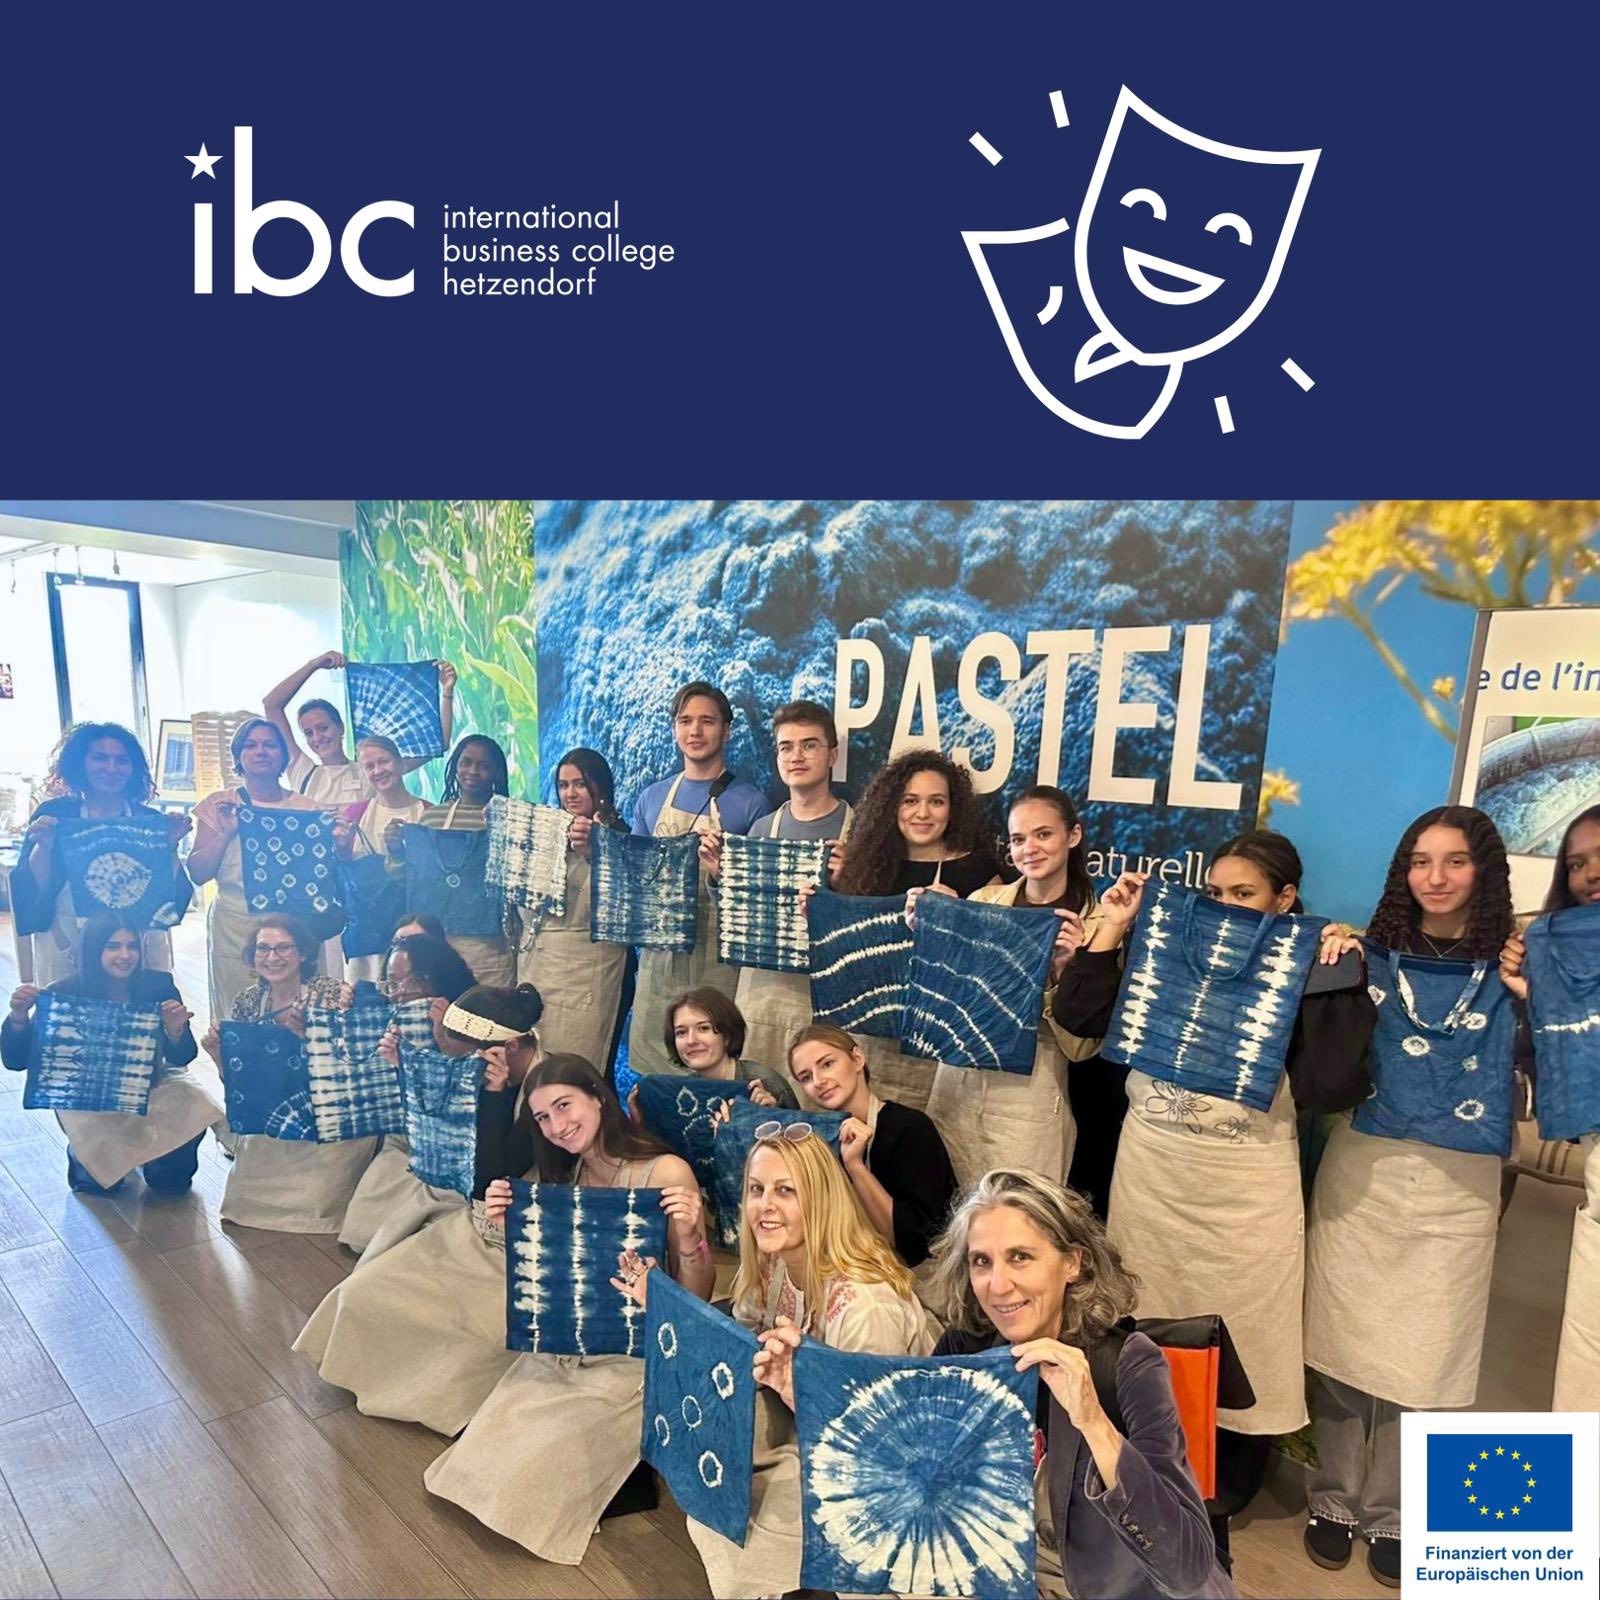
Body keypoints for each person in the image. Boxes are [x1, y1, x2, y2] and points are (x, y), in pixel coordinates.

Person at [1054, 830, 1376, 1562]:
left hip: (1246, 1188)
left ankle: (1223, 1479)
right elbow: (1078, 1018)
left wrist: (1333, 976)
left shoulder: (1305, 960)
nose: (1226, 907)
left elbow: (1332, 1085)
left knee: (1245, 1330)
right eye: (1216, 893)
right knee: (1148, 1316)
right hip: (1153, 1177)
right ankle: (1143, 1450)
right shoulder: (1170, 948)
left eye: (1245, 894)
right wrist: (1114, 926)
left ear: (1285, 900)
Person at [1302, 806, 1516, 1588]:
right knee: (1341, 1339)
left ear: (1484, 870)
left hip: (1459, 1183)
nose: (1436, 877)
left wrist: (1535, 991)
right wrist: (1332, 967)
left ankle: (1394, 1511)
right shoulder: (1367, 954)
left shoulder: (1513, 966)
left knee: (1426, 1351)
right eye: (1421, 861)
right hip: (1365, 1165)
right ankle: (1333, 1497)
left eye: (1455, 861)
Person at [421, 1055, 713, 1564]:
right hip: (572, 1336)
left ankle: (620, 1471)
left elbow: (699, 1298)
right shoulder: (564, 1172)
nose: (557, 1126)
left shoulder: (665, 1171)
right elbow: (553, 1273)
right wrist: (514, 1227)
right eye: (543, 1117)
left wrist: (688, 1238)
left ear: (598, 1097)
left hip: (640, 1348)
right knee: (478, 1457)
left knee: (527, 1477)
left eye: (564, 1106)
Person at [924, 1169, 1236, 1600]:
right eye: (982, 1261)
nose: (998, 1285)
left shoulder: (1126, 1364)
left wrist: (1093, 1421)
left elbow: (1184, 1568)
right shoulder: (964, 1350)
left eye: (1020, 1257)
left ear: (1072, 1263)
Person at [683, 1121, 932, 1598]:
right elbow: (742, 1338)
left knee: (743, 1529)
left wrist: (798, 1392)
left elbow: (881, 1443)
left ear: (820, 1200)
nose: (765, 1206)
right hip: (812, 1431)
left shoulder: (865, 1304)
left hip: (890, 1469)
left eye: (785, 1191)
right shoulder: (777, 1261)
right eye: (756, 1189)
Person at [294, 986, 550, 1434]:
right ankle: (367, 1372)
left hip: (527, 1235)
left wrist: (492, 1097)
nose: (461, 1067)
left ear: (508, 1048)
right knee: (363, 1290)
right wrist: (405, 1068)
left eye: (467, 1057)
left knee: (460, 1329)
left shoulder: (551, 1087)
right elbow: (443, 1119)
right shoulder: (493, 1069)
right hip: (474, 1219)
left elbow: (495, 1172)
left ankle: (424, 1394)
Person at [919, 785, 1099, 1190]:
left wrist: (1064, 972)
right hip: (957, 1080)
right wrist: (929, 934)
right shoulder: (983, 901)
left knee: (1022, 1210)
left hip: (1030, 1092)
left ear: (1073, 835)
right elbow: (947, 993)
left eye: (1043, 834)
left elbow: (1082, 1048)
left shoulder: (1097, 924)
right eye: (1018, 839)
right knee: (945, 1209)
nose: (1029, 848)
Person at [831, 749, 1000, 1111]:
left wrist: (960, 917)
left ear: (953, 808)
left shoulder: (981, 872)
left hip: (945, 1044)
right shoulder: (863, 867)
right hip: (872, 1038)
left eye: (936, 801)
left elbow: (994, 964)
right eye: (910, 801)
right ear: (891, 806)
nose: (923, 813)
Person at [3, 914, 220, 1195]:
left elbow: (183, 1057)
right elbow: (16, 1061)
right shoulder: (65, 992)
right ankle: (81, 1156)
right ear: (93, 950)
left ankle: (160, 1159)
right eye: (113, 946)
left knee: (171, 1179)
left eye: (132, 946)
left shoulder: (159, 986)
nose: (125, 955)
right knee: (99, 1186)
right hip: (89, 1096)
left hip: (150, 1084)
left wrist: (175, 1030)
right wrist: (19, 1016)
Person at [1501, 805, 1600, 1413]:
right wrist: (1537, 997)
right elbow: (1562, 1086)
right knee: (1586, 1374)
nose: (1591, 874)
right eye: (1577, 864)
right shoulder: (1557, 954)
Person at [200, 913, 377, 1233]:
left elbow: (356, 1070)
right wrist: (218, 1057)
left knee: (318, 1199)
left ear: (304, 953)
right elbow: (244, 1084)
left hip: (329, 1114)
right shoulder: (247, 1002)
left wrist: (311, 1037)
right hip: (275, 1111)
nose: (272, 957)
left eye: (283, 948)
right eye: (263, 949)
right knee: (242, 1199)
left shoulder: (332, 994)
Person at [627, 682, 768, 1075]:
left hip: (717, 958)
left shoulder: (751, 803)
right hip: (659, 959)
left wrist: (722, 872)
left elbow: (758, 900)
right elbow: (636, 881)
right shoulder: (651, 798)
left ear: (727, 729)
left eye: (707, 721)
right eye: (685, 720)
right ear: (674, 728)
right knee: (655, 1074)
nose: (695, 731)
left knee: (715, 1069)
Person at [705, 702, 855, 1072]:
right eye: (786, 747)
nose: (796, 756)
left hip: (828, 999)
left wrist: (849, 887)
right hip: (763, 994)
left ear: (832, 755)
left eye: (809, 745)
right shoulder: (761, 830)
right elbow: (736, 919)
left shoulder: (859, 832)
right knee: (762, 1090)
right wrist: (721, 876)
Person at [10, 721, 191, 985]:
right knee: (69, 1005)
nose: (111, 768)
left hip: (136, 942)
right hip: (66, 938)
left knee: (139, 1006)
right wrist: (44, 847)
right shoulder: (55, 814)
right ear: (80, 763)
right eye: (100, 758)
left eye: (121, 760)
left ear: (133, 768)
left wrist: (170, 847)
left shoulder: (147, 819)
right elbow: (34, 887)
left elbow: (171, 891)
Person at [337, 932, 481, 1261]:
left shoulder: (475, 1010)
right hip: (404, 1135)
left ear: (438, 976)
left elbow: (473, 1095)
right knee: (362, 1232)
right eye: (392, 983)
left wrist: (447, 1041)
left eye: (412, 981)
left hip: (456, 1138)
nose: (401, 992)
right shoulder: (388, 1016)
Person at [187, 718, 327, 1017]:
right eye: (250, 745)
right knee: (239, 1009)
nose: (260, 752)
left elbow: (320, 874)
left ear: (283, 754)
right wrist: (227, 833)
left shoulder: (306, 809)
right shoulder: (220, 804)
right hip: (236, 925)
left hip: (295, 926)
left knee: (299, 1010)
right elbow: (198, 873)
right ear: (238, 756)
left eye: (270, 745)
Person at [787, 1022, 957, 1268]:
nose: (818, 1081)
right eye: (805, 1077)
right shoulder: (819, 1138)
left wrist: (855, 1166)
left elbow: (915, 1245)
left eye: (827, 1064)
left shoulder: (910, 1128)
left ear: (857, 1059)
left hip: (909, 1275)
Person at [515, 747, 630, 1066]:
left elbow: (627, 908)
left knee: (579, 1070)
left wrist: (596, 852)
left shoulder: (623, 839)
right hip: (540, 972)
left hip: (589, 978)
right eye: (563, 785)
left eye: (580, 784)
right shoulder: (549, 835)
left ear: (600, 786)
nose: (570, 793)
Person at [263, 650, 457, 805]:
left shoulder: (371, 770)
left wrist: (447, 692)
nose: (317, 737)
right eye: (309, 733)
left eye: (323, 728)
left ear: (340, 728)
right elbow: (271, 705)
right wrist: (313, 665)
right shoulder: (301, 771)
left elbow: (438, 744)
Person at [395, 734, 515, 985]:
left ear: (497, 772)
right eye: (466, 762)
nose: (473, 771)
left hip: (490, 947)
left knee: (488, 1006)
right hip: (438, 943)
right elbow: (413, 877)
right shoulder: (433, 819)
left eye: (484, 766)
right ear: (455, 766)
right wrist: (396, 849)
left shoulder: (510, 820)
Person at [332, 735, 431, 983]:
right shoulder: (354, 815)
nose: (378, 771)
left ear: (400, 762)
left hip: (413, 935)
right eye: (369, 766)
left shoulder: (429, 813)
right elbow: (340, 877)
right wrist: (338, 848)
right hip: (367, 940)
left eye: (384, 762)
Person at [659, 985, 796, 1107]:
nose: (691, 1041)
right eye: (681, 1032)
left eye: (704, 1028)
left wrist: (770, 1115)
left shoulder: (768, 1084)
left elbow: (801, 1127)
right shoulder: (682, 1089)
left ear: (727, 1035)